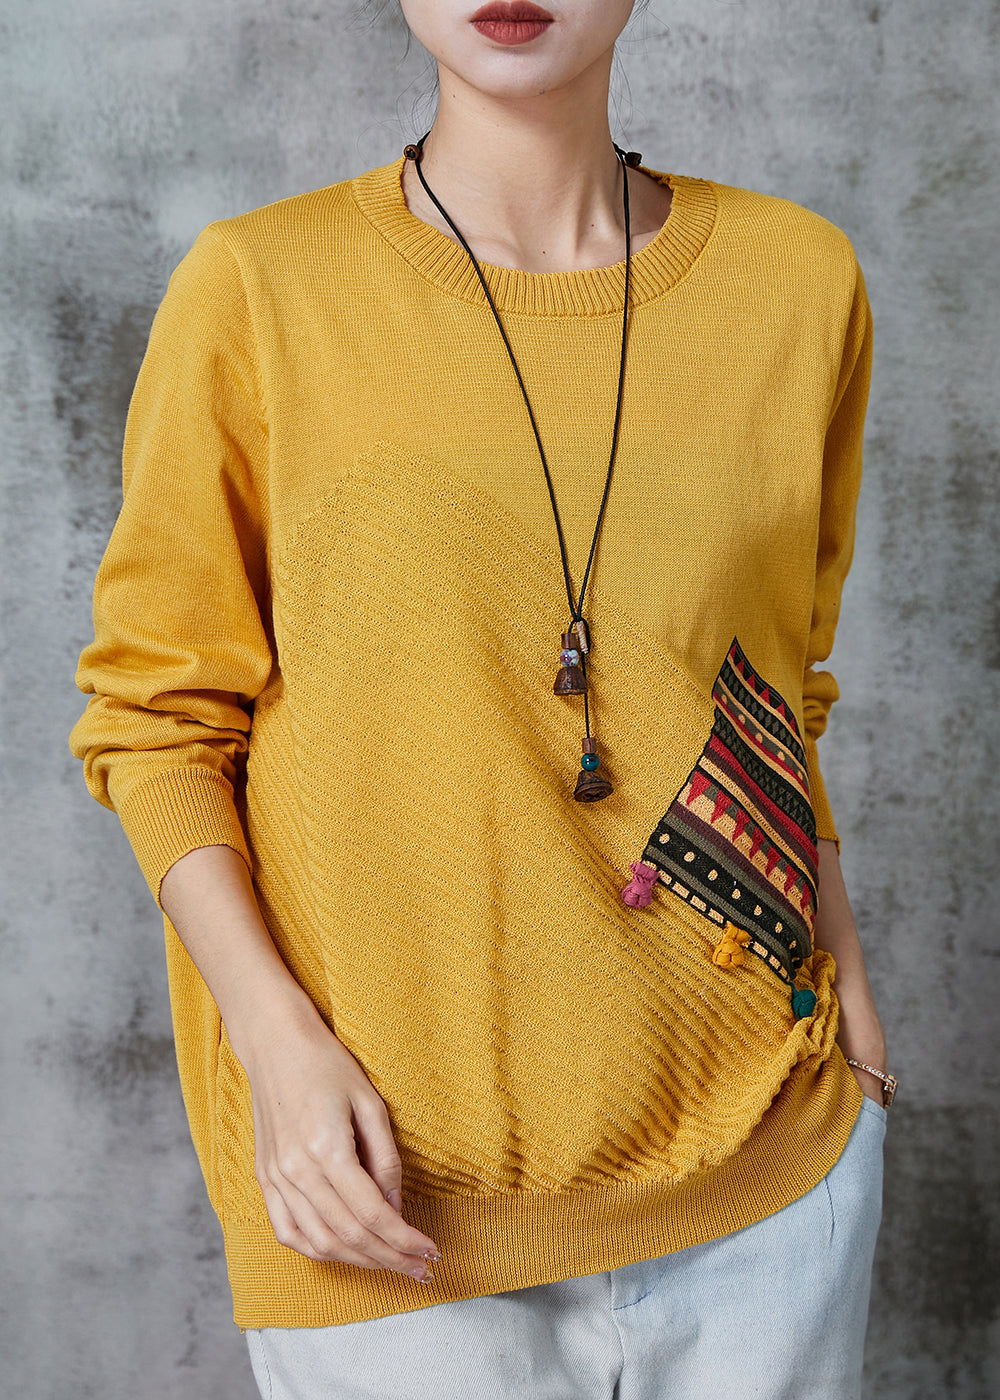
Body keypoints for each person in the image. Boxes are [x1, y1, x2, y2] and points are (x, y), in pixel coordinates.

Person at [70, 2, 894, 1396]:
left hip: (772, 1170)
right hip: (383, 1190)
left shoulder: (796, 279)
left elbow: (777, 685)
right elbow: (156, 724)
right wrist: (277, 1050)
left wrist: (851, 992)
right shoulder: (260, 287)